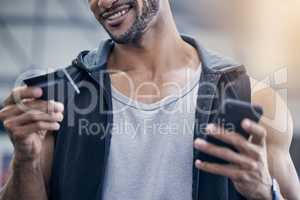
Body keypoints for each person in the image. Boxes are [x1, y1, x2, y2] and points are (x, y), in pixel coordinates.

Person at [0, 0, 299, 199]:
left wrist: (264, 192)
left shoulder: (256, 100)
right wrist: (25, 160)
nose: (103, 3)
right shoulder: (59, 99)